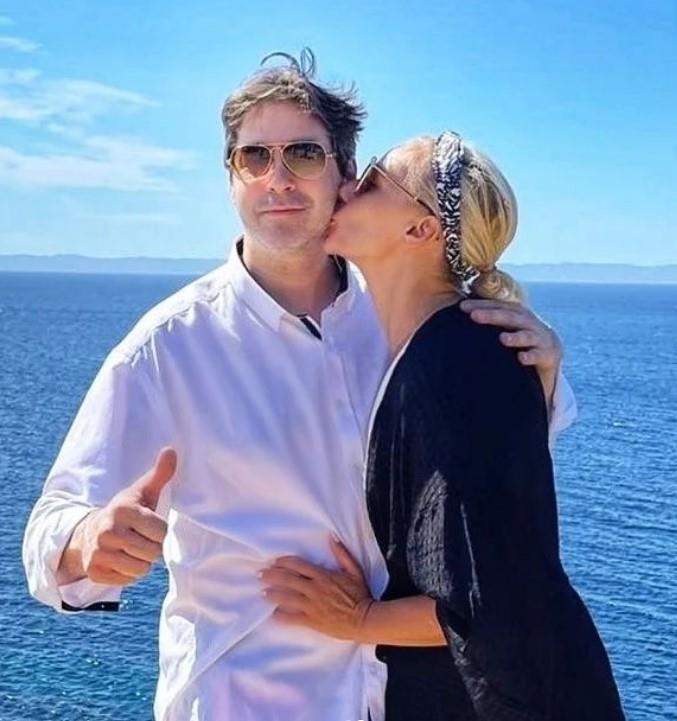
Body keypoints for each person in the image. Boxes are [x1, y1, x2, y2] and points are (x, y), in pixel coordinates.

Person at [23, 52, 577, 721]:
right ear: (230, 178)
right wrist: (89, 540)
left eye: (304, 154)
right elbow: (52, 527)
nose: (277, 177)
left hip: (415, 701)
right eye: (253, 156)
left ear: (346, 174)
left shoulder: (412, 322)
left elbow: (495, 486)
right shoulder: (169, 347)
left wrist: (539, 370)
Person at [259, 132, 625, 720]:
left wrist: (359, 620)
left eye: (372, 181)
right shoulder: (441, 351)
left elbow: (493, 600)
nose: (346, 187)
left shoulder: (457, 368)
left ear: (420, 229)